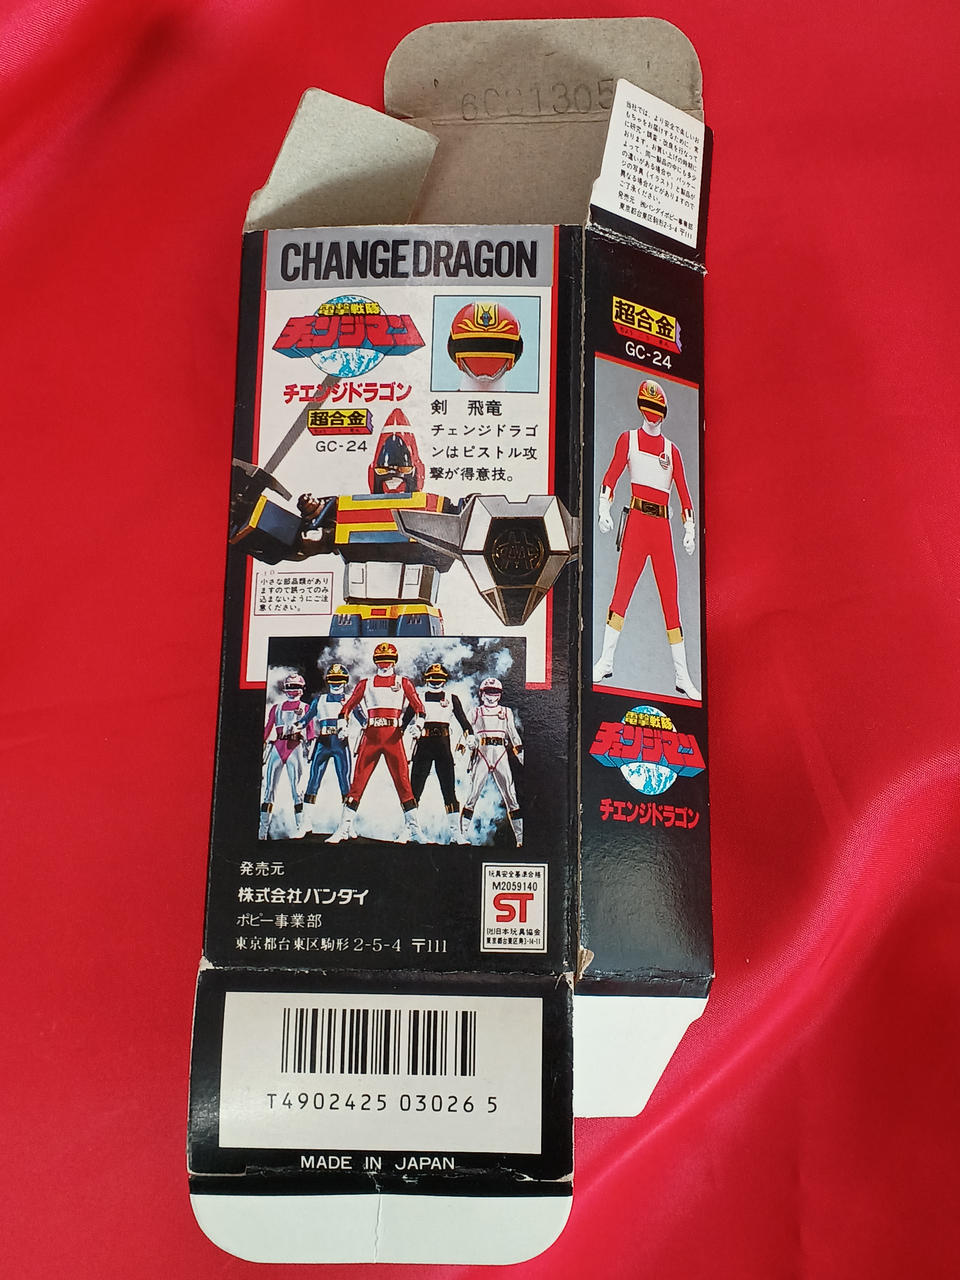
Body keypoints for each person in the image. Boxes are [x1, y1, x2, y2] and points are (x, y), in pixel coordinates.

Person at [593, 379, 700, 698]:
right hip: (637, 524)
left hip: (661, 528)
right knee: (621, 593)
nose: (652, 414)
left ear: (664, 412)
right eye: (648, 407)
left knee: (671, 601)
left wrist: (690, 529)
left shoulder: (672, 451)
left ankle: (682, 675)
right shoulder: (627, 440)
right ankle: (605, 661)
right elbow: (611, 477)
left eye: (657, 409)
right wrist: (603, 509)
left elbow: (685, 494)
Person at [327, 642, 426, 843]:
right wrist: (342, 724)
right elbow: (347, 707)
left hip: (393, 736)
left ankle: (414, 830)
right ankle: (344, 828)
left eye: (388, 660)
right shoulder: (366, 683)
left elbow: (419, 707)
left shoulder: (403, 682)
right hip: (371, 735)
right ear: (375, 661)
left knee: (403, 783)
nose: (384, 664)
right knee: (358, 782)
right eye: (381, 660)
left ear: (394, 661)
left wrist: (419, 724)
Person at [407, 662, 473, 843]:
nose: (435, 681)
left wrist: (470, 735)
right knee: (414, 789)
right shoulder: (418, 697)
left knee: (449, 790)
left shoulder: (452, 698)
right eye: (432, 678)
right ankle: (409, 830)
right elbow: (404, 721)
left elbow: (463, 721)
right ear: (426, 679)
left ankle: (455, 833)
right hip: (423, 745)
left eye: (439, 678)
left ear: (445, 680)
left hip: (443, 746)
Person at [460, 677, 524, 847]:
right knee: (472, 795)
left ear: (500, 694)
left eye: (495, 692)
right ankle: (461, 835)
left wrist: (520, 754)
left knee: (511, 796)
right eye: (488, 692)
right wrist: (463, 747)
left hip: (500, 753)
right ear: (482, 694)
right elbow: (465, 731)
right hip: (482, 752)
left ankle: (520, 839)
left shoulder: (506, 712)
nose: (491, 696)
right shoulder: (475, 712)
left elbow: (513, 734)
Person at [259, 672, 310, 839]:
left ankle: (300, 827)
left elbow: (310, 730)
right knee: (269, 790)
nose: (292, 690)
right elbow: (267, 728)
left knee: (297, 789)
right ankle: (262, 830)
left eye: (295, 686)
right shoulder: (277, 708)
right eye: (290, 686)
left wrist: (311, 745)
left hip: (295, 747)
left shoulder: (305, 708)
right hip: (278, 746)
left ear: (301, 689)